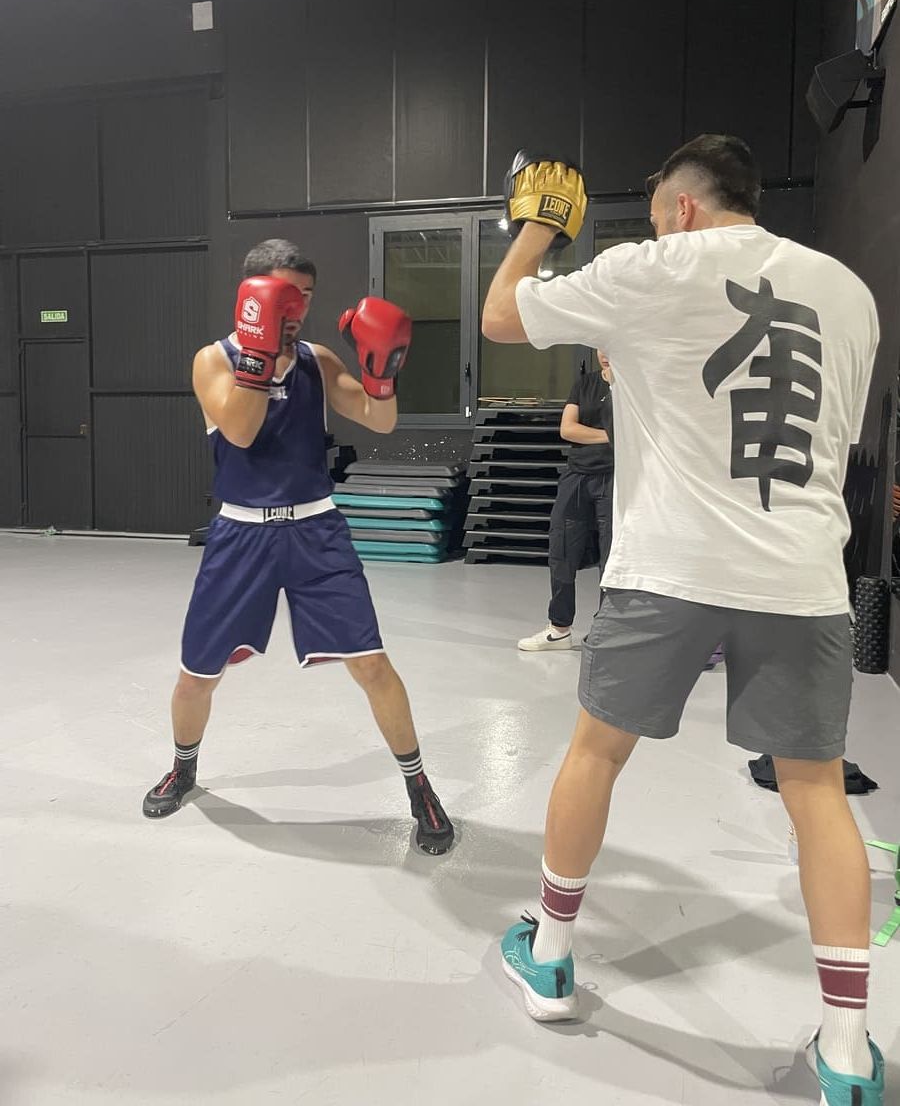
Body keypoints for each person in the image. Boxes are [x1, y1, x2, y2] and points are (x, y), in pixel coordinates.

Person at [483, 141, 883, 1103]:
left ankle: (553, 953)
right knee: (817, 793)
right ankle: (847, 1049)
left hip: (669, 566)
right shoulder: (848, 291)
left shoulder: (649, 266)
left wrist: (539, 227)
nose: (656, 221)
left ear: (684, 208)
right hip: (799, 574)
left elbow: (502, 315)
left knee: (594, 754)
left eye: (659, 207)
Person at [142, 238, 454, 857]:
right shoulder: (213, 360)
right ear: (254, 295)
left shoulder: (314, 358)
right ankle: (184, 766)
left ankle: (420, 788)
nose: (299, 309)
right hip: (240, 535)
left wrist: (382, 371)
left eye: (306, 297)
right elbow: (240, 427)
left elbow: (379, 420)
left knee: (372, 664)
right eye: (286, 296)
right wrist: (256, 355)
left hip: (316, 530)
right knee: (196, 676)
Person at [518, 352, 614, 651]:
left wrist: (593, 435)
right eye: (600, 347)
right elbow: (567, 429)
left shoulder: (634, 387)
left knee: (611, 556)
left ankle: (606, 631)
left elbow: (637, 433)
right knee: (561, 550)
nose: (605, 354)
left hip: (615, 476)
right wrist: (611, 436)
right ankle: (559, 628)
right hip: (576, 476)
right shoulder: (584, 384)